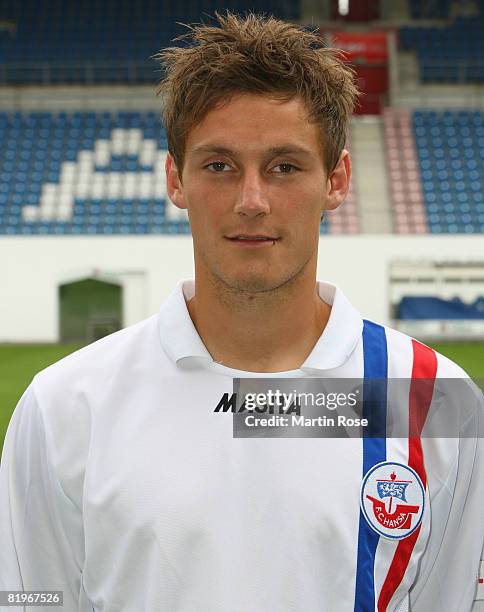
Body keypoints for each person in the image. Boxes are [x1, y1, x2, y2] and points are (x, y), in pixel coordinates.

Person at [0, 11, 482, 612]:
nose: (251, 201)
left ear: (337, 179)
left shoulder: (434, 401)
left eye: (284, 166)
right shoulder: (65, 407)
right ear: (176, 179)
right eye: (219, 166)